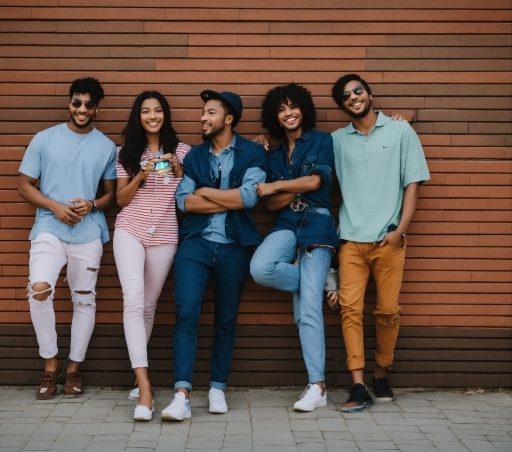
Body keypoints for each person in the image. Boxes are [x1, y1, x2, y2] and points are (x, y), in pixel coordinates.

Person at [160, 90, 267, 421]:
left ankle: (217, 387)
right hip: (196, 244)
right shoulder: (194, 155)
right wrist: (223, 196)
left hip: (235, 247)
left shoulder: (252, 153)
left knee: (225, 319)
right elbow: (184, 202)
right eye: (202, 113)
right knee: (187, 313)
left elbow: (248, 199)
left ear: (229, 118)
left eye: (209, 113)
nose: (202, 118)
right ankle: (182, 395)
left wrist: (205, 191)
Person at [330, 74, 430, 412]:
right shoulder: (335, 140)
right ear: (342, 106)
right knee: (350, 310)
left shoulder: (401, 131)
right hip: (350, 241)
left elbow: (413, 183)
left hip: (389, 239)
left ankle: (380, 374)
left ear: (368, 93)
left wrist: (400, 230)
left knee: (387, 312)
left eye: (358, 90)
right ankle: (358, 385)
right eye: (346, 96)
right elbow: (304, 156)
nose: (354, 97)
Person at [18, 77, 117, 400]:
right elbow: (25, 186)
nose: (82, 109)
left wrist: (92, 204)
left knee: (84, 299)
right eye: (77, 102)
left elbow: (110, 197)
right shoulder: (44, 140)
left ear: (97, 108)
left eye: (89, 104)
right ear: (69, 103)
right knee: (39, 290)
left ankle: (74, 369)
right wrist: (55, 207)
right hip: (49, 228)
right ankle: (50, 365)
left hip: (88, 233)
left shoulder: (105, 146)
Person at [249, 83, 338, 412]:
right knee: (261, 267)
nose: (288, 113)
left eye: (293, 106)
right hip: (286, 223)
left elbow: (317, 181)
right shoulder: (272, 154)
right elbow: (272, 205)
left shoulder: (321, 140)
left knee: (306, 311)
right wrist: (288, 188)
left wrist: (279, 185)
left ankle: (318, 385)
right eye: (281, 109)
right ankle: (321, 278)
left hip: (317, 222)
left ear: (303, 109)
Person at [112, 91, 190, 421]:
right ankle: (145, 389)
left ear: (165, 115)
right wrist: (143, 173)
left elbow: (189, 193)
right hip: (130, 229)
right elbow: (120, 199)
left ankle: (136, 375)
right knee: (132, 301)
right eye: (145, 111)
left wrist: (177, 170)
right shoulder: (126, 151)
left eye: (158, 110)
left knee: (147, 305)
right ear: (138, 116)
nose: (152, 116)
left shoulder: (183, 150)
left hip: (165, 235)